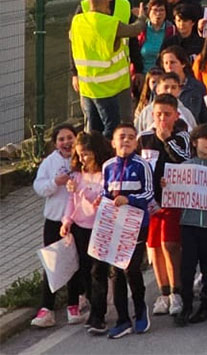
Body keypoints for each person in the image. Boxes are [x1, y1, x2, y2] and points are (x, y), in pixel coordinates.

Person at [138, 95, 191, 318]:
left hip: (173, 200)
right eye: (158, 114)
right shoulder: (144, 138)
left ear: (176, 115)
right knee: (154, 247)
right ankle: (163, 291)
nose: (162, 119)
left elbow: (185, 160)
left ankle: (176, 292)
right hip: (151, 202)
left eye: (167, 115)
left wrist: (167, 140)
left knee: (170, 244)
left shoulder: (181, 137)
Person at [70, 0, 145, 137]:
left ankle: (94, 156)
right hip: (108, 88)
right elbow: (135, 30)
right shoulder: (109, 24)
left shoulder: (77, 21)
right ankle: (106, 156)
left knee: (93, 130)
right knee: (111, 129)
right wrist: (142, 17)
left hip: (88, 87)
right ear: (104, 4)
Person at [102, 123, 155, 338]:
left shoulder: (142, 165)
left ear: (136, 142)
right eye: (121, 137)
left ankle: (141, 311)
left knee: (131, 269)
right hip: (115, 226)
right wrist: (106, 203)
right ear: (113, 142)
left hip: (136, 224)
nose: (126, 140)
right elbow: (104, 193)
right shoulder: (107, 167)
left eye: (131, 137)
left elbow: (149, 193)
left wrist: (130, 200)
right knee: (115, 273)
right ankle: (122, 318)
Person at [174, 123, 207, 326]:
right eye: (205, 138)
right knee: (187, 267)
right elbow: (175, 192)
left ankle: (205, 304)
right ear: (195, 142)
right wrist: (167, 185)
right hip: (189, 223)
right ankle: (187, 304)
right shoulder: (186, 166)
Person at [60, 131, 113, 334]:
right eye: (80, 155)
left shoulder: (105, 173)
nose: (83, 159)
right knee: (84, 270)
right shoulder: (77, 174)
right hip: (81, 227)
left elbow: (100, 200)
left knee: (97, 271)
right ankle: (94, 305)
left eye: (87, 154)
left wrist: (85, 193)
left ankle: (98, 315)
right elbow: (70, 201)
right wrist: (67, 221)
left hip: (99, 227)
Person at [30, 124, 80, 329]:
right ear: (55, 143)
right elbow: (38, 187)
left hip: (77, 220)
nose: (66, 143)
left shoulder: (83, 158)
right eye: (61, 139)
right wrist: (54, 182)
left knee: (75, 263)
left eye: (70, 138)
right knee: (52, 263)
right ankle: (46, 309)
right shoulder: (49, 163)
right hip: (54, 220)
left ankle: (74, 304)